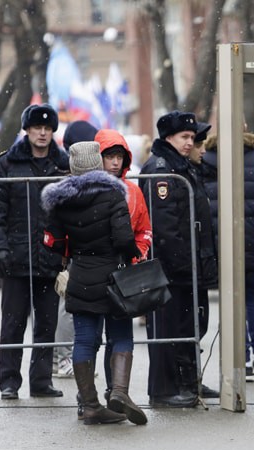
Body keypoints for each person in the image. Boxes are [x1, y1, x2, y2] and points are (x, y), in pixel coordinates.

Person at [41, 141, 146, 425]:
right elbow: (124, 238)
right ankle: (120, 392)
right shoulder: (113, 193)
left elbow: (54, 242)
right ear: (97, 163)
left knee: (85, 340)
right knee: (121, 335)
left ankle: (90, 405)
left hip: (82, 276)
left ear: (73, 165)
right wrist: (131, 253)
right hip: (114, 278)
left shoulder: (61, 200)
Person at [0, 103, 69, 400]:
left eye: (47, 128)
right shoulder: (7, 164)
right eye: (37, 128)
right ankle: (9, 381)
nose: (43, 133)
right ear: (27, 130)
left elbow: (69, 213)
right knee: (13, 323)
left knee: (47, 324)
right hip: (16, 258)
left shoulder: (63, 164)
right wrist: (0, 251)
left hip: (50, 257)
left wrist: (65, 253)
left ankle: (41, 381)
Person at [139, 111, 218, 407]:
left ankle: (187, 381)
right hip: (171, 268)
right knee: (167, 330)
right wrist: (183, 262)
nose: (190, 142)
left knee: (188, 325)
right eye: (184, 137)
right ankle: (164, 389)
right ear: (168, 138)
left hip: (188, 265)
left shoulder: (181, 166)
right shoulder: (162, 168)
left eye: (191, 137)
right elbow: (165, 226)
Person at [201, 124, 254, 381]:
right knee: (253, 297)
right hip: (253, 238)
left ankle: (240, 357)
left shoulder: (209, 158)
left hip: (220, 240)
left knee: (230, 298)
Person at [95, 129, 153, 404]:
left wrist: (138, 253)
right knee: (90, 337)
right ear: (99, 159)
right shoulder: (85, 190)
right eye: (109, 156)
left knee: (119, 333)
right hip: (92, 272)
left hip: (123, 272)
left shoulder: (134, 191)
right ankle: (88, 400)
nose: (115, 162)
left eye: (119, 156)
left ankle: (116, 392)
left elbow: (144, 229)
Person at [53, 120, 99, 379]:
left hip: (78, 253)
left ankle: (65, 357)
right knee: (67, 307)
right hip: (74, 254)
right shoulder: (67, 184)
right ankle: (62, 357)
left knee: (69, 308)